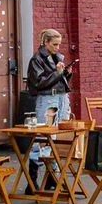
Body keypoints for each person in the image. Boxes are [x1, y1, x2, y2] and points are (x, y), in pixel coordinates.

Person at [24, 29, 74, 190]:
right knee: (43, 137)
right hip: (47, 99)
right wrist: (58, 74)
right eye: (54, 44)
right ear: (45, 42)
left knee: (58, 137)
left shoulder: (57, 57)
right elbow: (38, 83)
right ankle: (32, 180)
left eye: (59, 44)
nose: (57, 48)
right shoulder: (37, 59)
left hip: (61, 97)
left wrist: (66, 74)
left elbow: (59, 80)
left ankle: (52, 177)